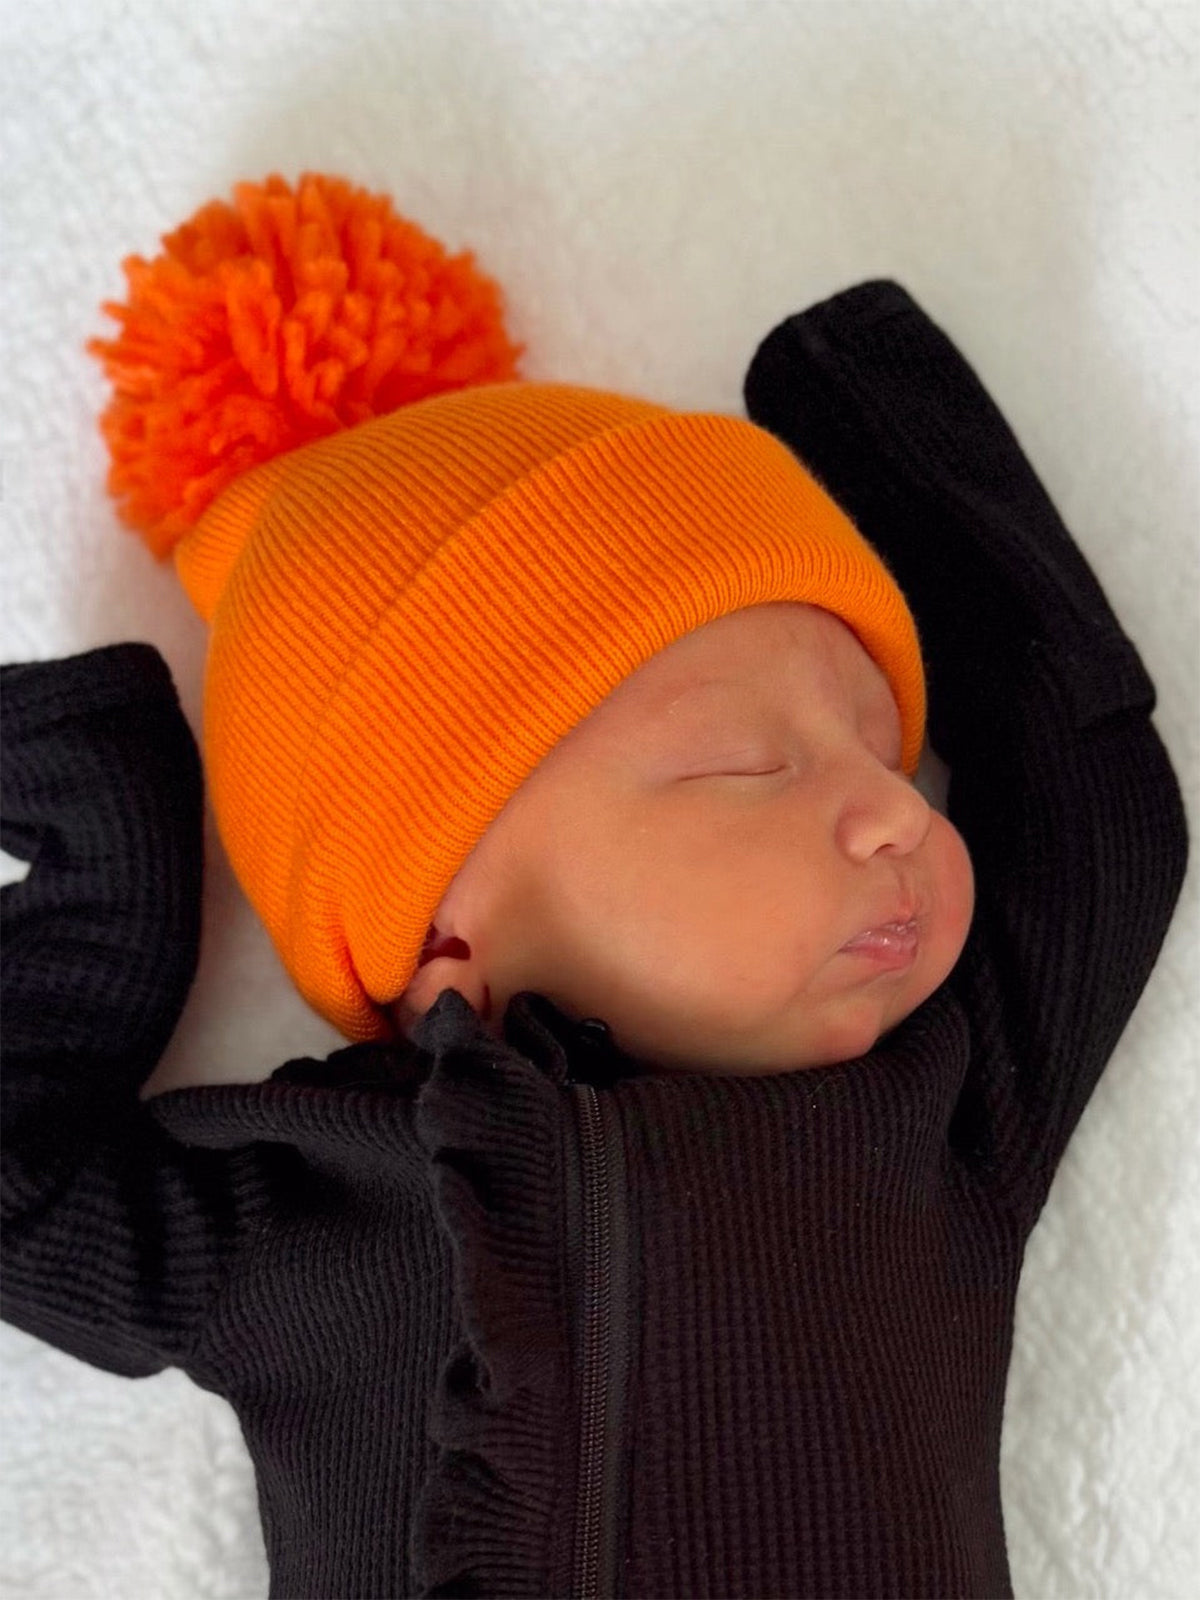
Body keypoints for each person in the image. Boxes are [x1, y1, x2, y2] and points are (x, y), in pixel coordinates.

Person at [1, 172, 1187, 1599]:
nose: (887, 809)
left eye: (884, 744)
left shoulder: (933, 1121)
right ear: (446, 938)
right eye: (748, 766)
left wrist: (874, 426)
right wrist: (113, 843)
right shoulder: (296, 1202)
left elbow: (1097, 815)